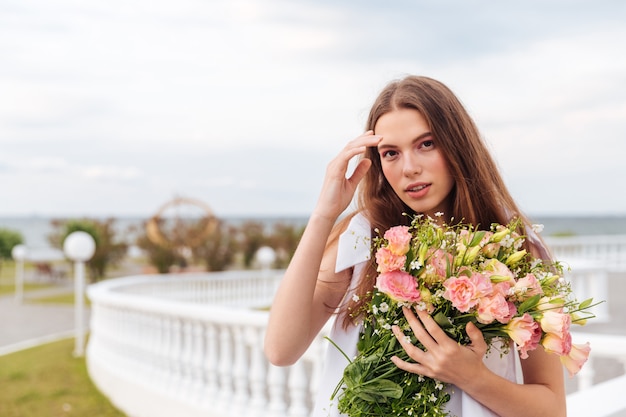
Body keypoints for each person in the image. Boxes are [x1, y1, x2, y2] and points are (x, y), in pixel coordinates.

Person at [264, 75, 566, 417]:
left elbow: (552, 409)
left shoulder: (514, 248)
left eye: (426, 144)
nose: (409, 168)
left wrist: (472, 377)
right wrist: (324, 214)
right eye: (391, 153)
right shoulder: (363, 236)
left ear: (457, 145)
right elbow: (281, 350)